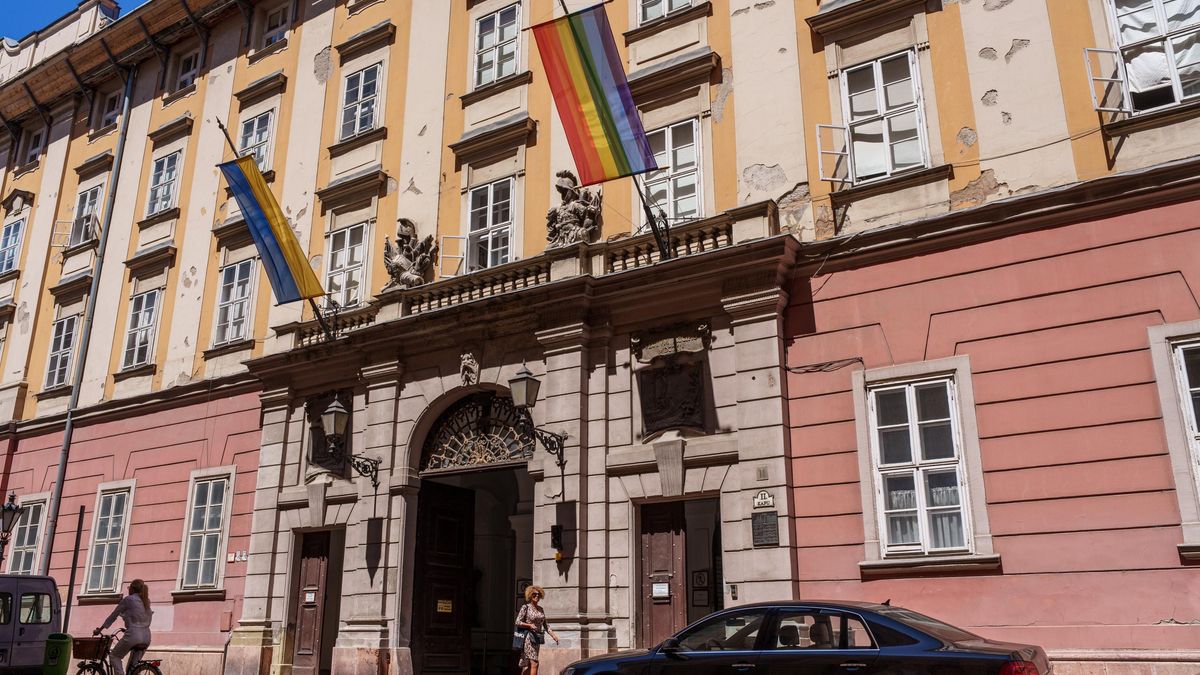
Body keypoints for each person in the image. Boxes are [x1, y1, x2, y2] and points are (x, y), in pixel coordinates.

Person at [95, 579, 153, 675]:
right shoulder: (146, 601)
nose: (128, 590)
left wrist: (100, 629)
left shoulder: (128, 599)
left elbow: (113, 615)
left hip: (133, 635)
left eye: (129, 588)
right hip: (147, 636)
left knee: (114, 656)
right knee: (133, 668)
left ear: (132, 589)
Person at [514, 585, 560, 675]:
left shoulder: (541, 609)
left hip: (537, 639)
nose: (537, 596)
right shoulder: (525, 607)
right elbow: (517, 622)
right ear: (530, 595)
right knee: (535, 663)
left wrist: (554, 635)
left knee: (530, 665)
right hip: (528, 639)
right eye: (534, 594)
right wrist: (529, 625)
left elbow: (546, 625)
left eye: (538, 594)